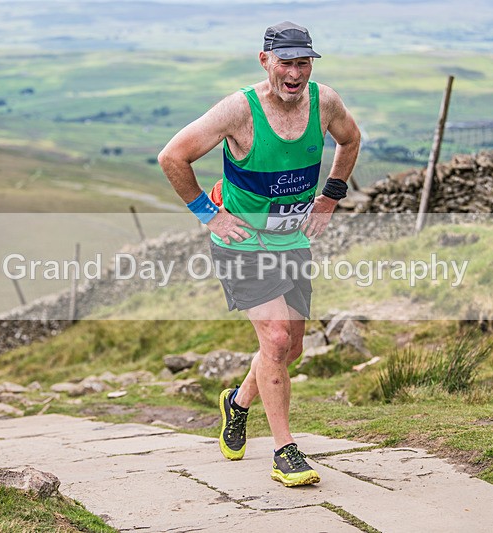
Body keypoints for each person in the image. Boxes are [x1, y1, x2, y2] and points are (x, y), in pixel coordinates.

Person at [158, 21, 360, 486]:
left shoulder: (324, 102)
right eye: (286, 63)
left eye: (303, 63)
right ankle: (285, 451)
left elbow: (350, 140)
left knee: (291, 348)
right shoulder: (238, 110)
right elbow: (172, 156)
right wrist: (209, 215)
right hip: (243, 241)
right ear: (265, 60)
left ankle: (238, 402)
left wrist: (330, 197)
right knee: (276, 337)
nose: (295, 74)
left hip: (291, 239)